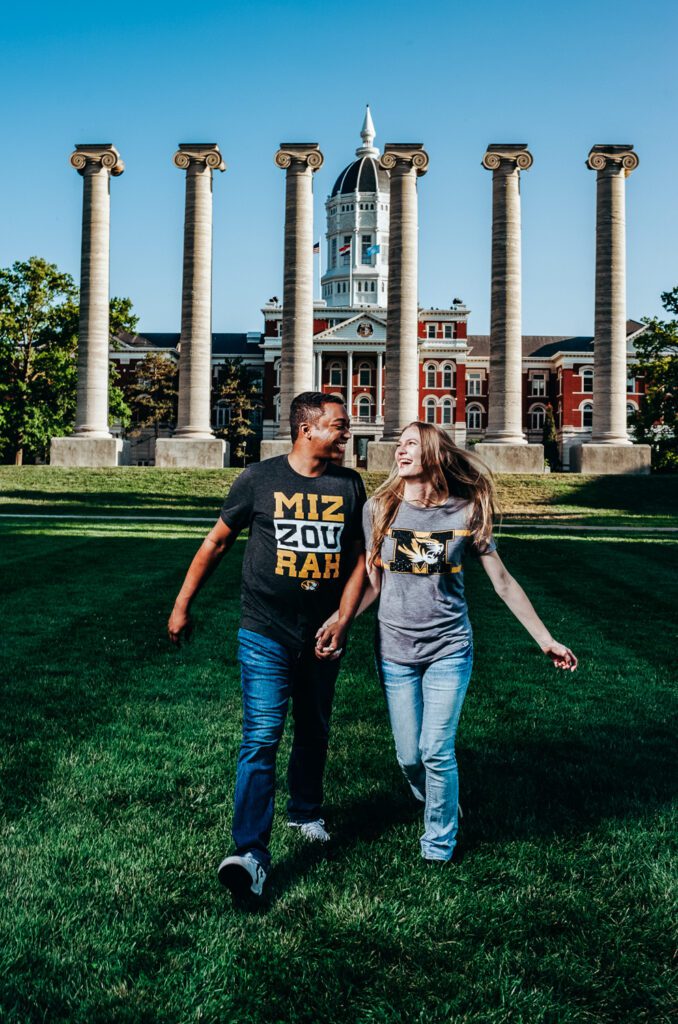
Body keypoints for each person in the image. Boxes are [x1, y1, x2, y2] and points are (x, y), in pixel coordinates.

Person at [315, 422, 577, 864]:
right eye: (398, 445)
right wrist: (341, 619)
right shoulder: (380, 508)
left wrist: (545, 639)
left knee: (436, 748)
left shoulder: (466, 510)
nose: (400, 451)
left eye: (410, 444)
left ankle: (438, 841)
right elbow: (374, 585)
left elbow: (503, 583)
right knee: (408, 756)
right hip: (395, 649)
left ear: (434, 452)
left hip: (448, 647)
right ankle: (441, 799)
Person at [168, 393, 367, 897]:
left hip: (321, 635)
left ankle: (305, 812)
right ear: (307, 429)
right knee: (261, 737)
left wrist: (342, 619)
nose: (348, 432)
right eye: (339, 425)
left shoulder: (349, 485)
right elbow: (216, 541)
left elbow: (362, 560)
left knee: (315, 726)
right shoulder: (258, 479)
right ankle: (250, 852)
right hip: (264, 631)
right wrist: (182, 604)